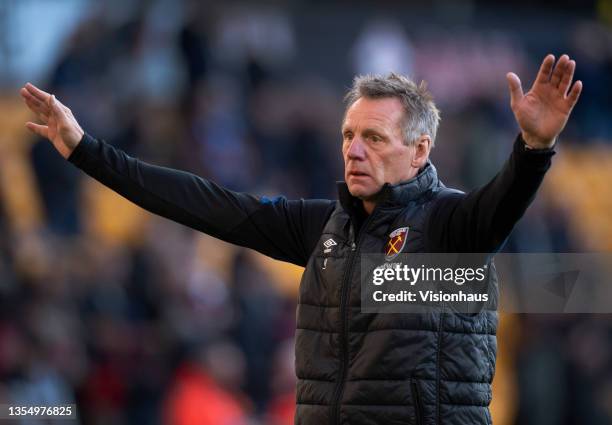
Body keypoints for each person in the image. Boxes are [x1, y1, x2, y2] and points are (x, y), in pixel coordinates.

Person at [20, 54, 581, 425]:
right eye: (349, 135)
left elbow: (506, 200)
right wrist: (85, 150)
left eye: (374, 138)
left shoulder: (453, 225)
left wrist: (533, 149)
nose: (354, 149)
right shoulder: (323, 228)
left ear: (420, 151)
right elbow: (203, 203)